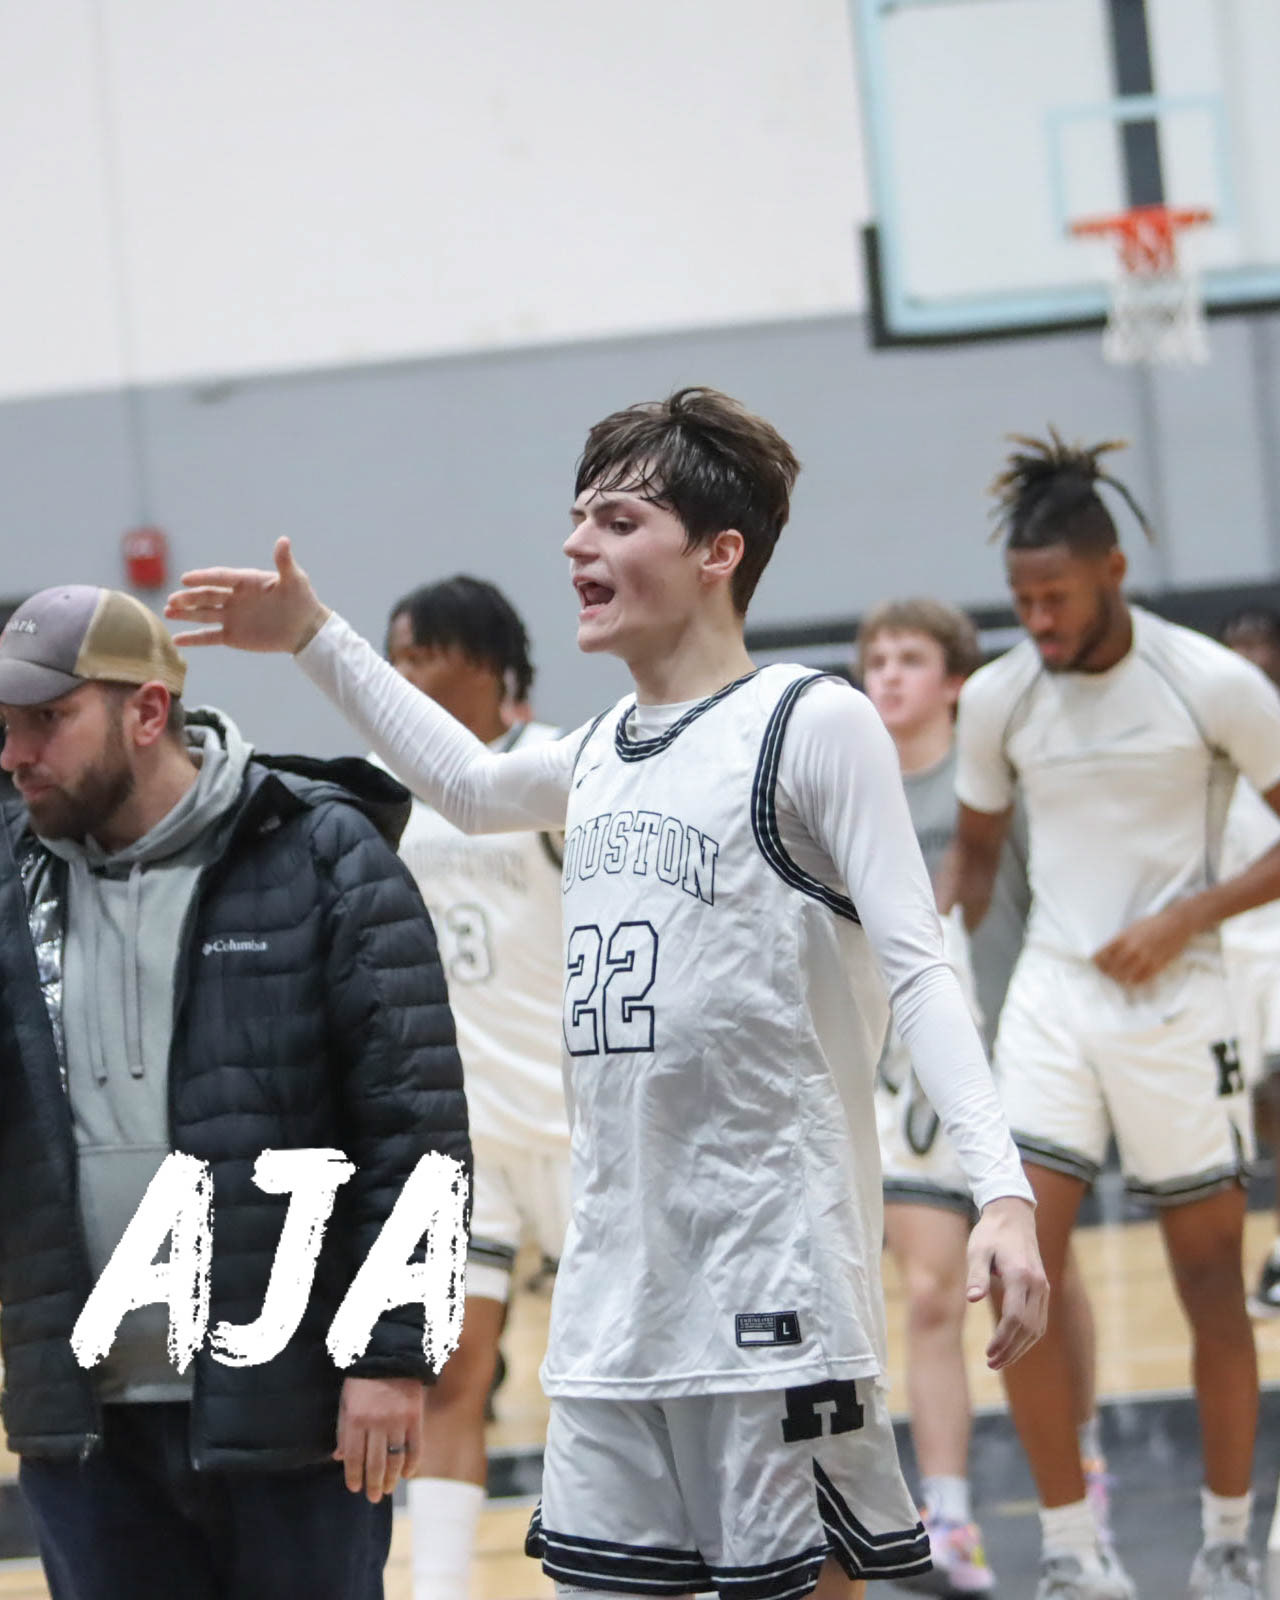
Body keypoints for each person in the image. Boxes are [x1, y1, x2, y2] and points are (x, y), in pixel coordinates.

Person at [167, 385, 1048, 1600]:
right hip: (613, 1294)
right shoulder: (596, 753)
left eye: (618, 521)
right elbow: (466, 782)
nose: (576, 543)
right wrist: (314, 634)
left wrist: (999, 1189)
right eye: (578, 517)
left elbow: (918, 963)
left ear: (717, 553)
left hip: (770, 1280)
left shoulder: (808, 721)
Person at [0, 584, 470, 1600]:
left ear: (146, 711)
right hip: (84, 1426)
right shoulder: (10, 878)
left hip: (292, 1413)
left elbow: (415, 1125)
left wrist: (393, 1353)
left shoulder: (319, 850)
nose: (15, 754)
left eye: (47, 720)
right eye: (6, 725)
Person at [942, 433, 1280, 1600]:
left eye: (1055, 597)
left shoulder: (1211, 683)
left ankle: (1225, 1542)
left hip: (1181, 1001)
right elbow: (972, 862)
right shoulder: (997, 697)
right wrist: (912, 963)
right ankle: (1070, 1552)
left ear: (1113, 571)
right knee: (1020, 1269)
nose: (1035, 619)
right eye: (1020, 599)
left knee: (1206, 1281)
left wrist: (1186, 915)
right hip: (1052, 999)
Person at [859, 599, 1110, 1595]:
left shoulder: (990, 781)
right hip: (909, 1076)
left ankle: (1080, 1468)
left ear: (955, 680)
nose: (886, 674)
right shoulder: (850, 785)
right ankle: (949, 1518)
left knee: (1043, 1276)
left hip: (1015, 1052)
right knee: (928, 1294)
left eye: (908, 658)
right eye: (875, 658)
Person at [383, 576, 570, 1600]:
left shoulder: (551, 773)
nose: (401, 676)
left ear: (485, 664)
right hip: (462, 1137)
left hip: (580, 1126)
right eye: (394, 659)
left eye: (421, 656)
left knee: (601, 1382)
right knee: (452, 1375)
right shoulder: (383, 791)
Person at [1216, 608, 1280, 1317]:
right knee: (1247, 1110)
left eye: (1260, 644)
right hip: (1229, 947)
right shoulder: (1209, 743)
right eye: (1237, 646)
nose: (1249, 656)